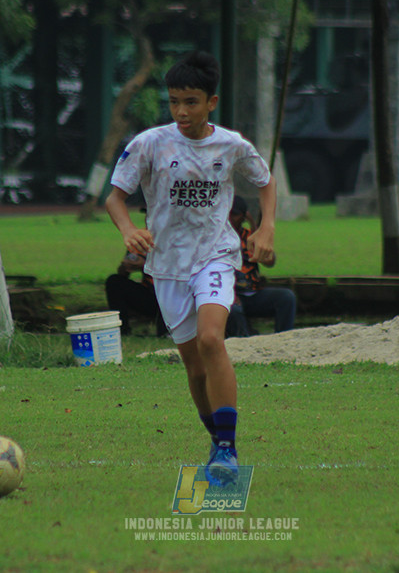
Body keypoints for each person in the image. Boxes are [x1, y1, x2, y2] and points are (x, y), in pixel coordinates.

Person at [105, 50, 276, 487]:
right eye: (175, 101)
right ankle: (218, 440)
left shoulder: (232, 145)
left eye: (192, 102)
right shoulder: (150, 144)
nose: (182, 111)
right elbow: (115, 197)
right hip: (167, 268)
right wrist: (127, 230)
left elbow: (265, 182)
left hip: (216, 255)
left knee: (212, 339)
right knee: (194, 369)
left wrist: (266, 229)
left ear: (211, 102)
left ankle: (226, 449)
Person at [227, 195, 297, 337]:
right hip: (229, 295)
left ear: (243, 216)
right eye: (227, 214)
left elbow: (269, 261)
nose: (230, 219)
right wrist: (230, 293)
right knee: (233, 309)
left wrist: (254, 227)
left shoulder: (250, 237)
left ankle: (283, 338)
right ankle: (244, 340)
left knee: (286, 297)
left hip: (253, 293)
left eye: (235, 215)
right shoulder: (218, 238)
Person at [104, 246, 168, 337]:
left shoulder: (177, 240)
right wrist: (126, 265)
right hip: (151, 296)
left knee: (168, 290)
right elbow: (123, 272)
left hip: (172, 295)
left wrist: (147, 263)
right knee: (114, 281)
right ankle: (121, 331)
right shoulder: (141, 239)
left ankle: (166, 333)